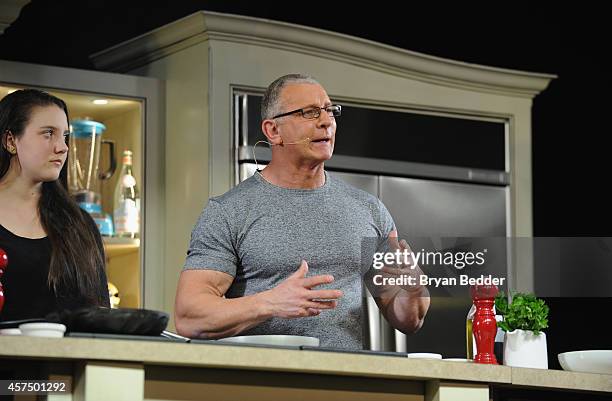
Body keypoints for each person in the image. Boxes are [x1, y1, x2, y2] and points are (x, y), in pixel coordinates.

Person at [175, 74, 429, 348]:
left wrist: (413, 291)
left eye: (330, 111)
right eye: (309, 113)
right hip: (260, 384)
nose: (326, 121)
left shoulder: (368, 209)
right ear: (273, 131)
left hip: (347, 384)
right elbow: (190, 316)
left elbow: (409, 319)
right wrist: (269, 303)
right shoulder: (228, 212)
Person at [0, 89, 109, 322]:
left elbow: (101, 314)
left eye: (65, 136)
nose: (63, 147)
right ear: (10, 141)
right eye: (49, 133)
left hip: (68, 359)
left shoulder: (80, 224)